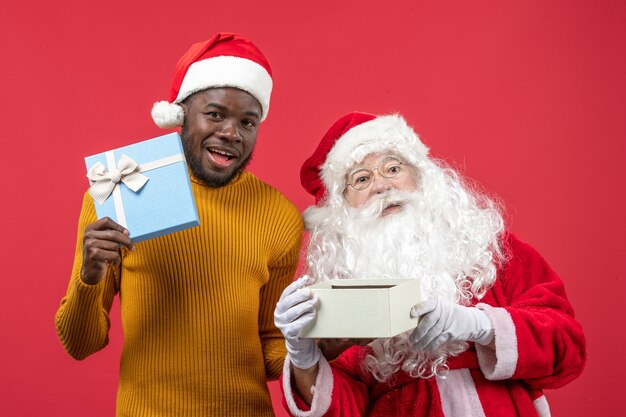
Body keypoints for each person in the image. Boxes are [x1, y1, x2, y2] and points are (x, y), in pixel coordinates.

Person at [274, 112, 586, 417]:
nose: (382, 186)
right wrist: (304, 356)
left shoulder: (489, 248)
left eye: (393, 168)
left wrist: (480, 326)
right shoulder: (338, 292)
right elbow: (343, 409)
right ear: (342, 206)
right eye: (362, 179)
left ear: (421, 176)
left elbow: (568, 347)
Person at [55, 33, 303, 417]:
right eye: (215, 114)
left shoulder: (280, 215)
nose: (231, 133)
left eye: (247, 122)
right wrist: (89, 278)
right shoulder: (119, 191)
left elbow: (268, 347)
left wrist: (316, 345)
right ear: (181, 114)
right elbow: (79, 343)